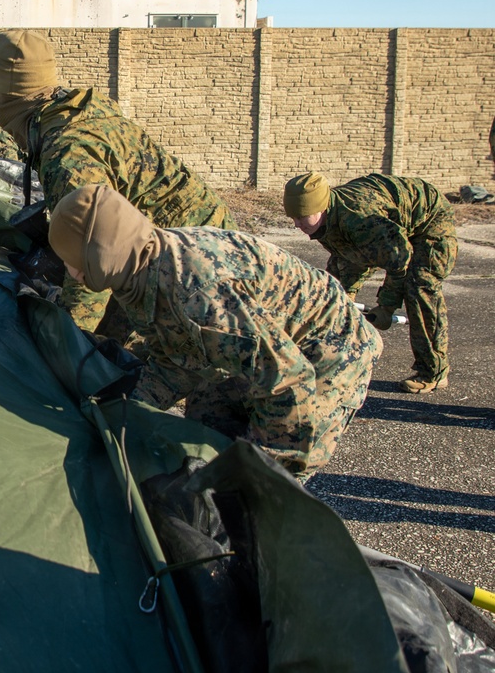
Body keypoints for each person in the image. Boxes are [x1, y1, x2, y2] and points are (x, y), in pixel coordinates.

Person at [48, 184, 382, 480]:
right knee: (207, 428)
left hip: (328, 348)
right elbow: (178, 359)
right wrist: (120, 413)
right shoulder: (138, 270)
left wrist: (263, 472)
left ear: (99, 254)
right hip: (262, 341)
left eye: (70, 257)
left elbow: (288, 383)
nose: (68, 269)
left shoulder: (196, 293)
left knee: (255, 489)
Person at [0, 28, 233, 332]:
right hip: (190, 242)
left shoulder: (67, 154)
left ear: (2, 95)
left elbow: (93, 257)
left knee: (124, 353)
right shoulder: (76, 112)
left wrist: (69, 340)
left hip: (196, 262)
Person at [283, 171, 457, 395]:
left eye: (302, 216)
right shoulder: (327, 220)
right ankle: (326, 359)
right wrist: (343, 300)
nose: (297, 224)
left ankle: (433, 372)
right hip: (388, 230)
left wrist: (386, 307)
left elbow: (399, 261)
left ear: (320, 207)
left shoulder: (359, 220)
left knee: (420, 287)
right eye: (293, 218)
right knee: (333, 296)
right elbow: (351, 260)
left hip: (429, 221)